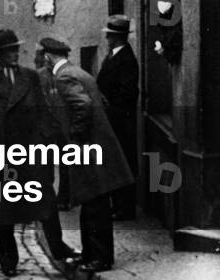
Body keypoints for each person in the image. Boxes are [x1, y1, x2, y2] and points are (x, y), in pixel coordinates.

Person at [0, 28, 77, 277]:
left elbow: (44, 111)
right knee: (4, 210)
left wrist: (49, 143)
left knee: (45, 201)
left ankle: (58, 248)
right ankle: (8, 260)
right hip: (3, 156)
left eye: (16, 49)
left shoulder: (30, 77)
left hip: (32, 151)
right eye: (9, 51)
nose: (15, 54)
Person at [40, 36, 134, 274]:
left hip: (87, 149)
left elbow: (83, 106)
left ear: (49, 57)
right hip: (97, 146)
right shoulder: (80, 72)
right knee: (92, 202)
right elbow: (102, 102)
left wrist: (76, 139)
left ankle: (100, 258)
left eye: (44, 57)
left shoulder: (63, 77)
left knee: (94, 205)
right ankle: (91, 253)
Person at [96, 15, 139, 220]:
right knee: (114, 163)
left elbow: (127, 92)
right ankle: (118, 205)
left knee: (122, 163)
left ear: (117, 37)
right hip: (113, 119)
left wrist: (110, 108)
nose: (107, 39)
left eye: (110, 36)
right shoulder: (113, 56)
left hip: (120, 121)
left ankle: (125, 207)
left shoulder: (126, 59)